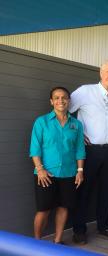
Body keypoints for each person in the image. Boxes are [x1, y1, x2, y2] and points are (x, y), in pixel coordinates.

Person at [70, 60, 108, 244]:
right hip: (89, 151)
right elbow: (65, 111)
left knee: (107, 191)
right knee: (83, 191)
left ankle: (104, 226)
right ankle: (79, 230)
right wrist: (77, 133)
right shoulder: (85, 91)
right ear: (101, 73)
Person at [30, 87, 85, 244]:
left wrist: (80, 171)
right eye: (57, 98)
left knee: (63, 207)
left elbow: (80, 149)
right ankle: (36, 243)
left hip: (69, 173)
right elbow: (35, 148)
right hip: (46, 175)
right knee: (43, 210)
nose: (61, 100)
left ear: (68, 100)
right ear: (51, 101)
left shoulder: (77, 125)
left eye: (64, 98)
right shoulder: (42, 122)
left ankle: (57, 241)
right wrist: (40, 169)